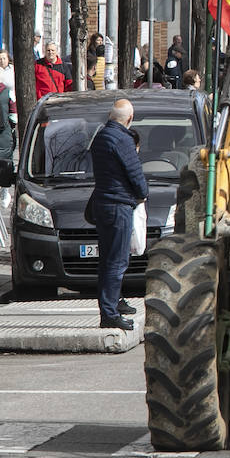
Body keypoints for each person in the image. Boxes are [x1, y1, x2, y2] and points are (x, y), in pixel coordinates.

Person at [88, 99, 146, 330]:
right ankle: (110, 313)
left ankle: (113, 304)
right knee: (118, 261)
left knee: (107, 260)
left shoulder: (100, 136)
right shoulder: (123, 139)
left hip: (102, 203)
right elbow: (134, 171)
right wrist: (143, 193)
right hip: (118, 205)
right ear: (129, 119)